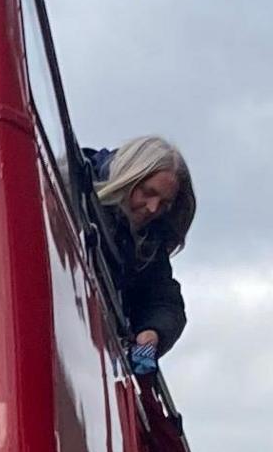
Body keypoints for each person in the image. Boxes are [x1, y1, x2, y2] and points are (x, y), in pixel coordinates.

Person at [84, 136, 196, 371]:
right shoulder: (74, 192)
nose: (153, 208)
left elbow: (164, 300)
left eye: (164, 203)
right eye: (147, 192)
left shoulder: (151, 242)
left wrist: (152, 332)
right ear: (128, 176)